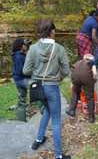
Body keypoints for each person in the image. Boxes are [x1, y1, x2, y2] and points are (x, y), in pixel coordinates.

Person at [23, 20, 71, 159]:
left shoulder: (32, 48)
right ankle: (58, 156)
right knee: (56, 120)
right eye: (54, 30)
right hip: (52, 88)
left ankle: (38, 140)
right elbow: (66, 70)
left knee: (47, 111)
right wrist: (58, 77)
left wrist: (37, 74)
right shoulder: (59, 49)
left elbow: (26, 70)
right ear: (51, 31)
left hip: (38, 88)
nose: (55, 32)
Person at [66, 54, 97, 123]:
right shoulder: (91, 63)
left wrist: (73, 83)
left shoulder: (78, 62)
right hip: (86, 77)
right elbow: (94, 74)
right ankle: (91, 118)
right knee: (90, 97)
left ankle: (71, 110)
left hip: (75, 76)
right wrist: (94, 80)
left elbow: (72, 71)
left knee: (75, 93)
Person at [12, 38, 30, 121]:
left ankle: (21, 118)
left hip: (18, 79)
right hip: (21, 80)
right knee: (38, 88)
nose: (26, 46)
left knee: (22, 98)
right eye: (24, 44)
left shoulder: (19, 54)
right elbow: (21, 71)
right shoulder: (19, 56)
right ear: (20, 46)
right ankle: (44, 111)